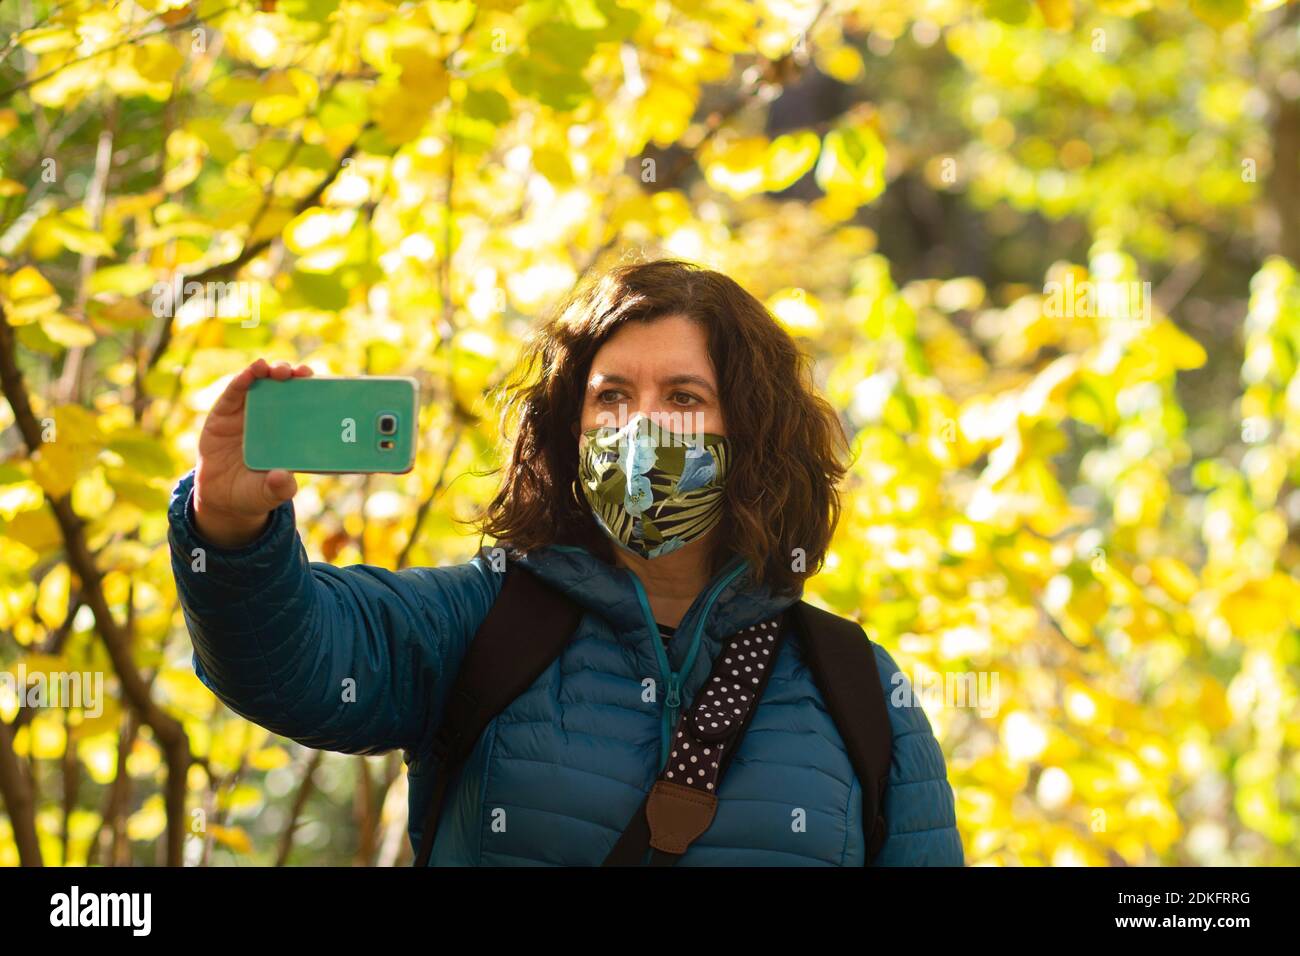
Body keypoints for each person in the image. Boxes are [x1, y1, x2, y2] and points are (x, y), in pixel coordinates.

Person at [168, 257, 964, 866]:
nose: (641, 426)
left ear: (750, 434)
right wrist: (232, 526)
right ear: (569, 427)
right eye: (611, 396)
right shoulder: (484, 622)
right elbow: (288, 662)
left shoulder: (859, 691)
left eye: (683, 397)